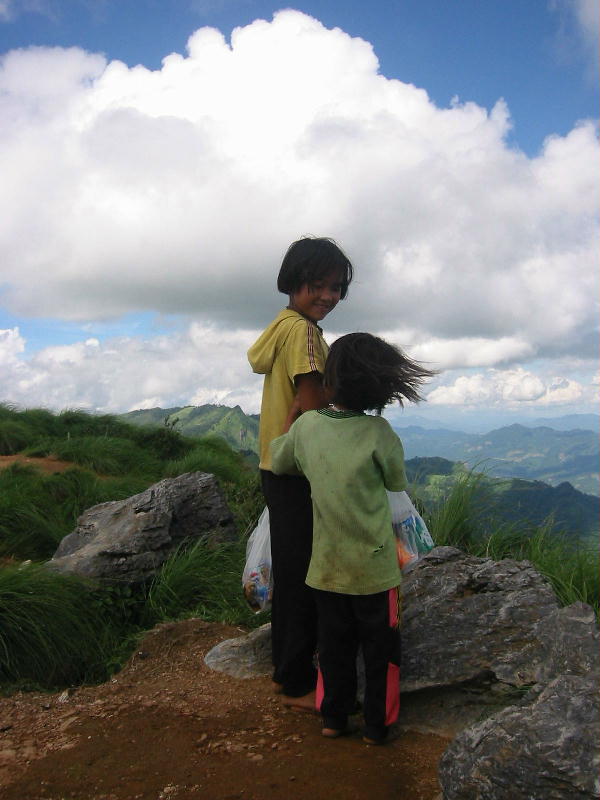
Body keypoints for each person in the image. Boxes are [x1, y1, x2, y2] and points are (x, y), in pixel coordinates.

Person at [269, 332, 435, 744]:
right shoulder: (379, 432)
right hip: (377, 574)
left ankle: (334, 719)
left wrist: (292, 416)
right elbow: (396, 480)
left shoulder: (308, 427)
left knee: (333, 648)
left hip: (327, 571)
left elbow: (279, 459)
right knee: (382, 655)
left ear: (329, 383)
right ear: (380, 389)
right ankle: (378, 727)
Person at [247, 236, 354, 710]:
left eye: (336, 289)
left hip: (275, 465)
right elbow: (310, 407)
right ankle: (296, 677)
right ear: (295, 282)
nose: (328, 297)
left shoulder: (281, 326)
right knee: (307, 575)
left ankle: (284, 670)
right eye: (319, 285)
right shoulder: (306, 335)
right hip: (299, 468)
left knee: (292, 570)